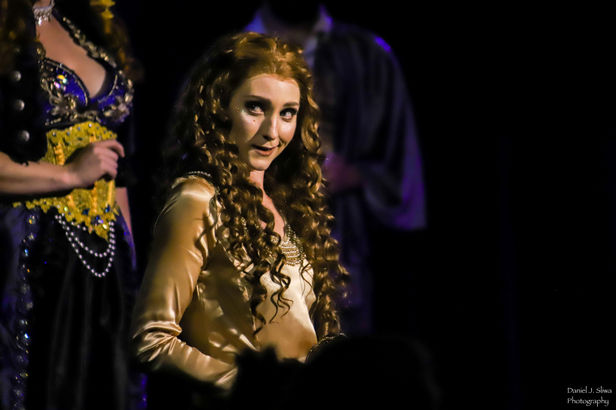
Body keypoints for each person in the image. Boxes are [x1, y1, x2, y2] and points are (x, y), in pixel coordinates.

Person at [130, 32, 349, 409]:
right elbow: (150, 339)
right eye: (255, 107)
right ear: (220, 107)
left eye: (287, 113)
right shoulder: (197, 200)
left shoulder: (285, 202)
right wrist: (253, 387)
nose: (272, 132)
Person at [245, 2, 427, 335]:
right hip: (252, 251)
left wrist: (355, 175)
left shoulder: (365, 55)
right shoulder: (232, 58)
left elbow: (401, 166)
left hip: (341, 251)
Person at [0, 1, 145, 409]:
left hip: (107, 261)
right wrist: (67, 175)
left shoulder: (84, 18)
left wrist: (132, 276)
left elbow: (118, 167)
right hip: (32, 254)